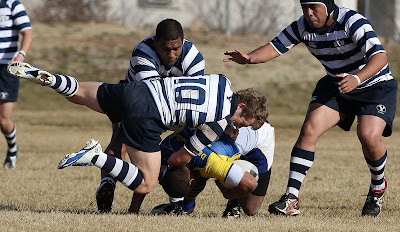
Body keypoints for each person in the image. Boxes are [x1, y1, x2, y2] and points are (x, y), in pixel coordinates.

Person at [7, 61, 269, 211]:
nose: (238, 126)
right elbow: (179, 158)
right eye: (243, 122)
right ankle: (96, 157)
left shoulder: (221, 80)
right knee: (146, 183)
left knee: (78, 94)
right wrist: (186, 173)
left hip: (138, 90)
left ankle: (47, 78)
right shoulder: (217, 122)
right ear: (241, 107)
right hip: (149, 116)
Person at [224, 0, 397, 217]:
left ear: (328, 6)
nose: (308, 13)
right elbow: (276, 46)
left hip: (374, 84)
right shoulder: (302, 26)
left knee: (368, 136)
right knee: (309, 129)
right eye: (304, 8)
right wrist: (250, 58)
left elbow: (381, 57)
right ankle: (291, 199)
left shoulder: (352, 21)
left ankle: (377, 188)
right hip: (337, 84)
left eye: (314, 7)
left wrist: (357, 78)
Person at [97, 18, 205, 213]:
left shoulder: (194, 58)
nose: (171, 55)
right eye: (165, 49)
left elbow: (194, 98)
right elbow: (154, 96)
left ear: (183, 41)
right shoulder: (143, 52)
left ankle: (111, 183)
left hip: (167, 109)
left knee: (121, 144)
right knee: (135, 150)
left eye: (176, 49)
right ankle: (115, 191)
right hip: (136, 103)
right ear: (155, 42)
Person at [147, 121, 274, 218]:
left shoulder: (212, 163)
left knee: (251, 209)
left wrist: (228, 194)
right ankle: (184, 208)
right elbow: (151, 180)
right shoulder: (165, 151)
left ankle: (234, 204)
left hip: (258, 133)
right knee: (201, 172)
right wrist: (133, 209)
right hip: (225, 135)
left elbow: (250, 183)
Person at [0, 0, 32, 168]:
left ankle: (12, 149)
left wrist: (21, 54)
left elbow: (27, 32)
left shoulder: (12, 5)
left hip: (6, 69)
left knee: (3, 120)